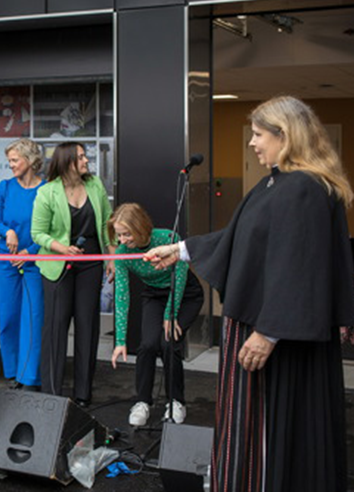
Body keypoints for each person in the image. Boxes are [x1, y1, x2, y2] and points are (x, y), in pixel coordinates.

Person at [146, 96, 354, 492]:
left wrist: (268, 332)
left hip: (280, 338)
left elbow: (299, 267)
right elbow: (240, 238)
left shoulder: (304, 189)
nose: (252, 143)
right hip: (265, 326)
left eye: (259, 135)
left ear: (285, 136)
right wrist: (180, 250)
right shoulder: (277, 184)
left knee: (277, 430)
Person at [31, 142, 113, 407]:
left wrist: (110, 256)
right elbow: (37, 233)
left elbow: (106, 222)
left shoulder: (94, 185)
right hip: (58, 264)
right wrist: (61, 248)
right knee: (55, 327)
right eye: (80, 157)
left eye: (85, 156)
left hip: (90, 261)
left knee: (87, 326)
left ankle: (82, 393)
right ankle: (52, 394)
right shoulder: (47, 192)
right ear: (67, 162)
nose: (86, 161)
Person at [108, 203, 203, 426]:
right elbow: (122, 294)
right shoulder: (123, 253)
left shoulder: (167, 238)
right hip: (154, 296)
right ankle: (142, 402)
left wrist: (171, 313)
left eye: (126, 234)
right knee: (148, 345)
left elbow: (179, 278)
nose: (122, 240)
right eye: (118, 235)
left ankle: (176, 401)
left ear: (140, 228)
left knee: (169, 343)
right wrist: (120, 341)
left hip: (185, 295)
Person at [0, 138, 45, 391]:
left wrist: (31, 251)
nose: (10, 165)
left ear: (31, 160)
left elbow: (52, 229)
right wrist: (7, 231)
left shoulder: (46, 190)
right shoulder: (4, 188)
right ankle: (12, 372)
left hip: (34, 262)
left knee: (32, 318)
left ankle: (29, 376)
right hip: (6, 261)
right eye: (9, 160)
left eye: (15, 160)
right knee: (9, 317)